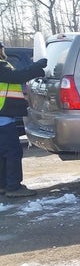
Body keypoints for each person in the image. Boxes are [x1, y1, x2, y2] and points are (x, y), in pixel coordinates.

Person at [0, 41, 47, 197]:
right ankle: (13, 187)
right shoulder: (1, 66)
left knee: (3, 154)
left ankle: (4, 185)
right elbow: (17, 76)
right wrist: (37, 66)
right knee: (12, 152)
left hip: (3, 117)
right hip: (3, 119)